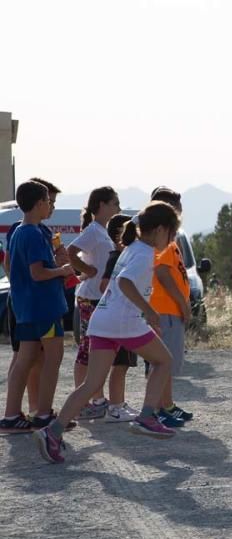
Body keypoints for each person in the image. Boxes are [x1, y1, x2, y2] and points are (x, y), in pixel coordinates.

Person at [35, 202, 183, 463]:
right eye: (172, 234)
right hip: (123, 322)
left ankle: (52, 432)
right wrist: (148, 311)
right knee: (164, 361)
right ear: (160, 230)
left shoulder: (131, 249)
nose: (171, 240)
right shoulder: (145, 254)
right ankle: (147, 416)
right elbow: (125, 282)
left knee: (91, 384)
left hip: (103, 320)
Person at [0, 181, 73, 433]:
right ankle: (43, 414)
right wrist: (62, 270)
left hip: (26, 308)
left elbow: (15, 266)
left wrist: (55, 263)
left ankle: (11, 416)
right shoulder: (32, 232)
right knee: (53, 358)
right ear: (40, 203)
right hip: (45, 308)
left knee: (25, 358)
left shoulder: (20, 230)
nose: (51, 206)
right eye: (49, 202)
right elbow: (38, 273)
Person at [66, 187, 122, 421]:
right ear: (101, 205)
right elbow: (72, 251)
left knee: (97, 349)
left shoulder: (101, 231)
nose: (117, 208)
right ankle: (83, 402)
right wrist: (88, 270)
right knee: (88, 348)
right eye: (114, 203)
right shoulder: (93, 230)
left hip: (99, 297)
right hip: (90, 296)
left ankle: (96, 399)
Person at [147, 187, 192, 426]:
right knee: (162, 362)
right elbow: (163, 273)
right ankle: (156, 409)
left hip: (169, 310)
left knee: (168, 362)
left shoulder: (171, 243)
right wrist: (182, 303)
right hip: (165, 310)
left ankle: (167, 405)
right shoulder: (162, 244)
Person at [101, 213, 141, 421]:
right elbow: (103, 285)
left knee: (123, 364)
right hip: (118, 318)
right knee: (120, 364)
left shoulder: (123, 257)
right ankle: (115, 407)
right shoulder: (115, 258)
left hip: (125, 317)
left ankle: (120, 403)